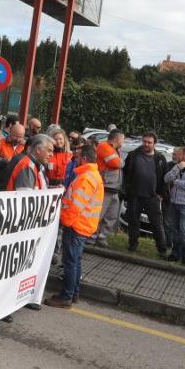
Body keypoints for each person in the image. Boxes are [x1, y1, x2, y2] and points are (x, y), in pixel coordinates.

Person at [45, 143, 103, 308]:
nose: (74, 159)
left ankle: (66, 297)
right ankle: (73, 293)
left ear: (84, 158)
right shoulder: (92, 175)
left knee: (70, 262)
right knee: (75, 261)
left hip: (76, 226)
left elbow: (75, 205)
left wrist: (64, 221)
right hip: (83, 226)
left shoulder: (85, 178)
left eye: (77, 157)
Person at [122, 133, 168, 254]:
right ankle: (132, 245)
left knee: (157, 224)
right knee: (133, 222)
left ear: (154, 144)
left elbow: (164, 177)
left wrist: (161, 193)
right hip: (135, 195)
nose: (146, 144)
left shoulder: (160, 158)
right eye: (144, 141)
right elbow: (125, 173)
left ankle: (162, 249)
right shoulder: (133, 155)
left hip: (152, 197)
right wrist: (126, 190)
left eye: (149, 142)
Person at [93, 130, 125, 243]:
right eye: (123, 139)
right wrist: (121, 161)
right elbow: (116, 163)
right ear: (117, 138)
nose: (123, 141)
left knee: (111, 215)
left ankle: (102, 236)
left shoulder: (115, 150)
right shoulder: (104, 146)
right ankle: (91, 235)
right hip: (105, 186)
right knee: (99, 213)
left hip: (114, 187)